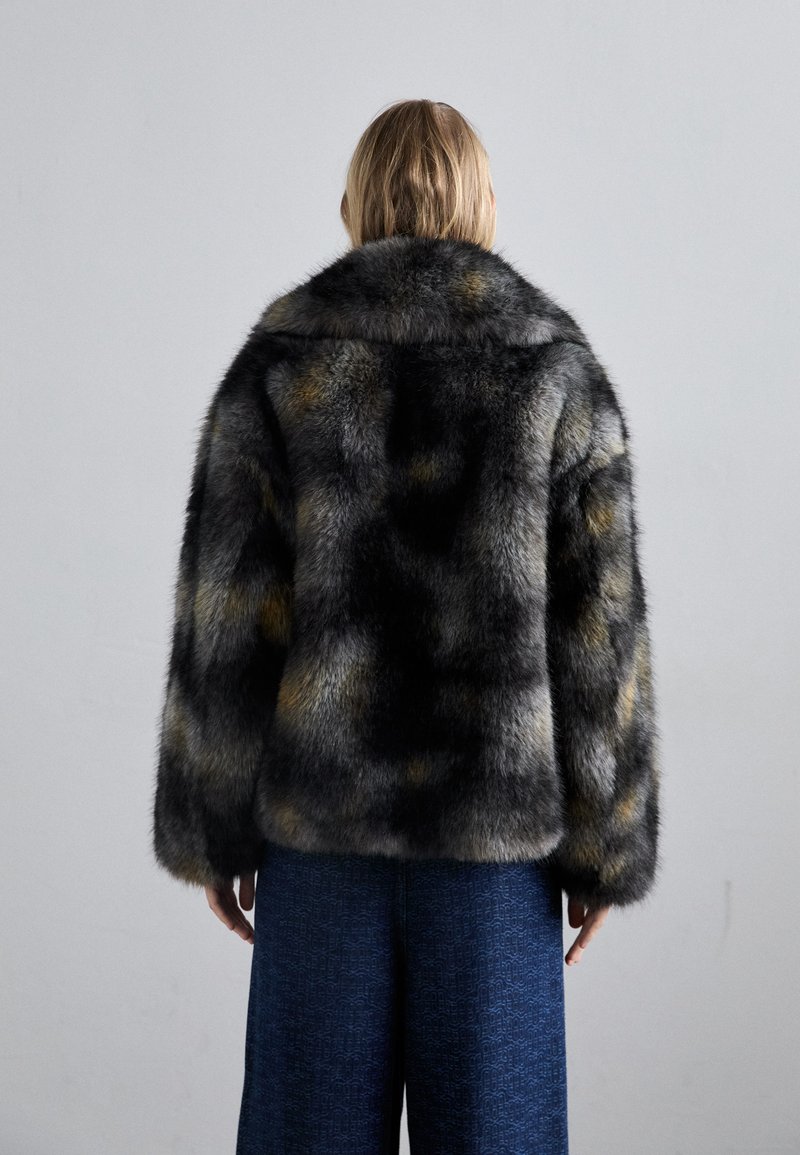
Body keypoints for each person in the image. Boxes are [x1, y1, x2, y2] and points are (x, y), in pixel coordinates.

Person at [151, 98, 662, 1154]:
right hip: (496, 859)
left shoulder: (280, 364)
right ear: (484, 202)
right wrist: (604, 843)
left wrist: (212, 828)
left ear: (354, 201)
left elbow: (227, 619)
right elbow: (599, 635)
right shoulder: (552, 369)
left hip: (319, 848)